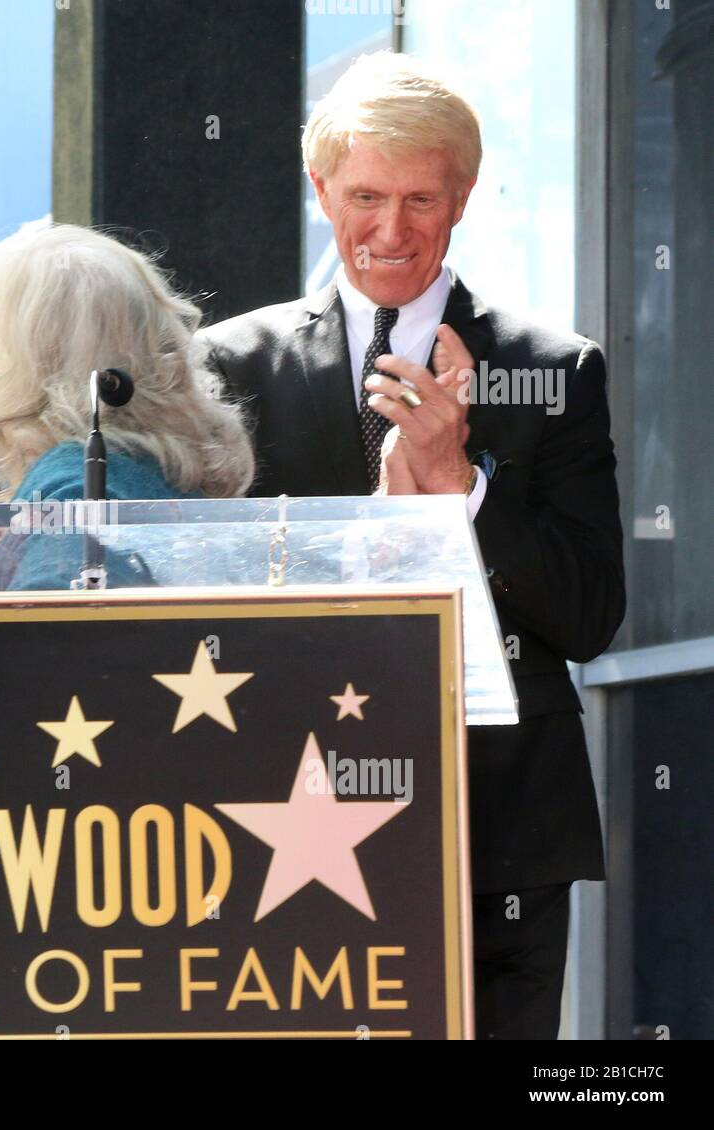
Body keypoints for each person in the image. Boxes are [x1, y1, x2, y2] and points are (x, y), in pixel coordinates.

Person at [198, 52, 625, 1039]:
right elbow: (206, 590)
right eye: (365, 196)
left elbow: (590, 614)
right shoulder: (225, 365)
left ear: (462, 197)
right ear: (320, 190)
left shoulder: (553, 370)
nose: (391, 231)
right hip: (273, 810)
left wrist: (461, 486)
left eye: (421, 200)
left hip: (500, 828)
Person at [0, 223, 255, 590]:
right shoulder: (160, 465)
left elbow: (51, 629)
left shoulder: (74, 484)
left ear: (26, 366)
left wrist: (3, 581)